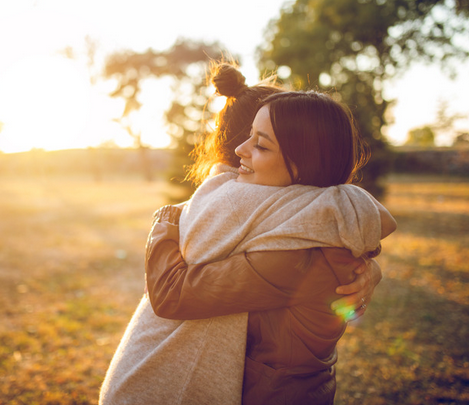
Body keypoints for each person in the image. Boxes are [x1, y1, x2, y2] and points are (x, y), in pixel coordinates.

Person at [99, 63, 390, 405]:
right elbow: (359, 217)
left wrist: (168, 218)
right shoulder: (307, 219)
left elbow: (171, 293)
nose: (240, 152)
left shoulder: (298, 252)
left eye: (261, 145)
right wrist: (370, 266)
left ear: (305, 163)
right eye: (247, 137)